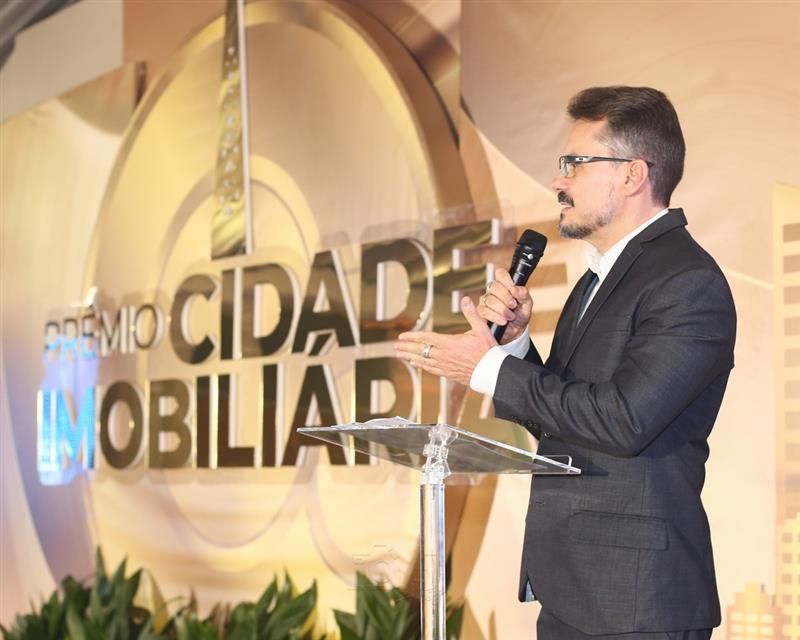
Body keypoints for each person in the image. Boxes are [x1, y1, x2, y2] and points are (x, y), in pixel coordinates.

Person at [394, 86, 736, 639]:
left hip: (636, 603)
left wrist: (487, 369)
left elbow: (623, 420)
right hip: (572, 592)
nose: (559, 181)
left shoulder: (687, 281)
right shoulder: (599, 279)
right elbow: (568, 419)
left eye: (574, 163)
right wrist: (513, 349)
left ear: (632, 174)